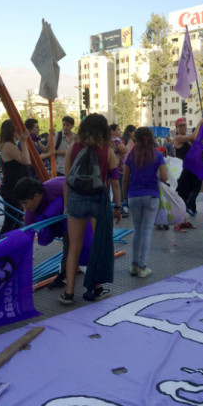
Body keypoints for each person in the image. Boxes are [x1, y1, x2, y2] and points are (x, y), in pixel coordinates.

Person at [61, 113, 123, 304]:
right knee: (99, 245)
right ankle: (96, 289)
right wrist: (118, 207)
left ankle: (69, 293)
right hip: (99, 199)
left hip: (76, 199)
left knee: (74, 247)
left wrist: (66, 206)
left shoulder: (73, 148)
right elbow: (114, 183)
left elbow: (66, 181)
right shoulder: (108, 152)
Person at [14, 176, 92, 290]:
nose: (23, 207)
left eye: (25, 203)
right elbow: (26, 246)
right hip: (61, 216)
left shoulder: (57, 188)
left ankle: (71, 275)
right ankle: (66, 274)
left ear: (36, 197)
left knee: (79, 243)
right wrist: (25, 282)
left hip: (79, 204)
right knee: (67, 242)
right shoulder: (31, 213)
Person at [123, 127, 168, 277]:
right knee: (147, 230)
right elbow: (165, 177)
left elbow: (125, 178)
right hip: (151, 196)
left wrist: (124, 197)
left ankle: (134, 265)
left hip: (134, 196)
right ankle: (143, 267)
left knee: (137, 230)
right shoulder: (157, 156)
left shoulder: (130, 156)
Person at [0, 120, 33, 236]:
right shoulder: (8, 145)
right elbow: (26, 161)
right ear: (12, 131)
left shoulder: (10, 145)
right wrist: (23, 142)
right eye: (18, 130)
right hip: (11, 189)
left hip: (14, 187)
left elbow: (27, 160)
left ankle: (8, 249)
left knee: (16, 222)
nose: (21, 132)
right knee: (11, 222)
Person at [173, 118, 200, 229]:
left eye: (184, 125)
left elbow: (195, 142)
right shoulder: (178, 138)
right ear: (177, 128)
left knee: (194, 189)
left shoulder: (186, 140)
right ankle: (178, 223)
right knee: (182, 196)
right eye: (180, 125)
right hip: (183, 172)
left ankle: (184, 221)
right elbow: (193, 136)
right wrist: (199, 123)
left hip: (189, 170)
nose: (183, 127)